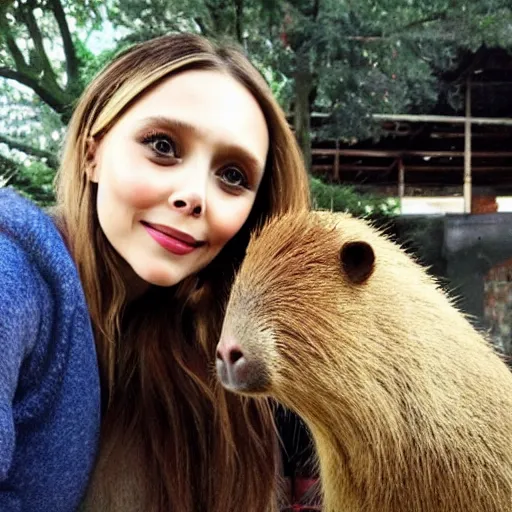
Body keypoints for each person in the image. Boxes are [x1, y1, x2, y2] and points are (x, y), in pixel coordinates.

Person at [0, 32, 310, 511]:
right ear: (92, 152)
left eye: (232, 175)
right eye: (162, 145)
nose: (194, 195)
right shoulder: (16, 269)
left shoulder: (209, 359)